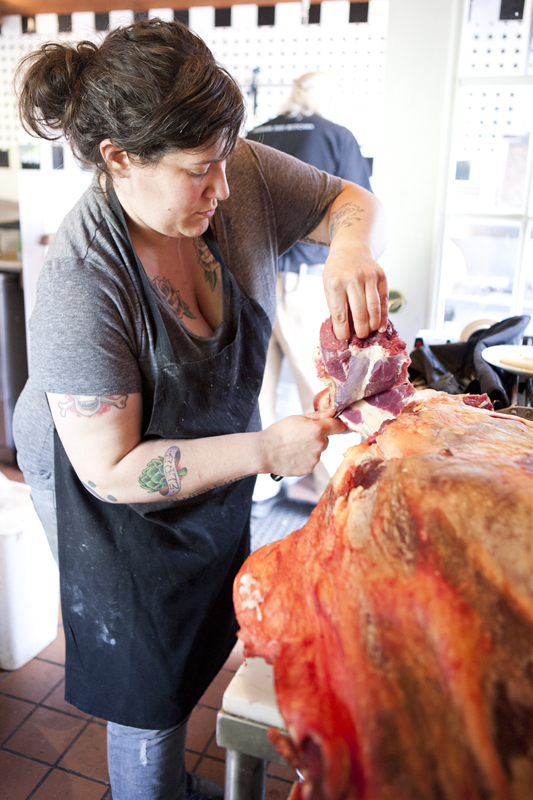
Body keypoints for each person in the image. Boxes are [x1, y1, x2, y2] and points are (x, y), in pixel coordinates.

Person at [12, 20, 387, 800]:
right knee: (148, 678)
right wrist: (259, 451)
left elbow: (345, 199)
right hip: (107, 496)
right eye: (197, 172)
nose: (222, 190)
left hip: (199, 461)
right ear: (119, 159)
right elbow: (114, 470)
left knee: (199, 626)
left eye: (224, 162)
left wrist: (347, 248)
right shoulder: (85, 284)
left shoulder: (231, 169)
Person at [247, 72, 373, 507]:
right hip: (305, 284)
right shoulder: (337, 135)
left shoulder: (255, 134)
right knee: (324, 397)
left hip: (249, 279)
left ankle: (258, 490)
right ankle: (333, 501)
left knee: (252, 391)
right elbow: (360, 210)